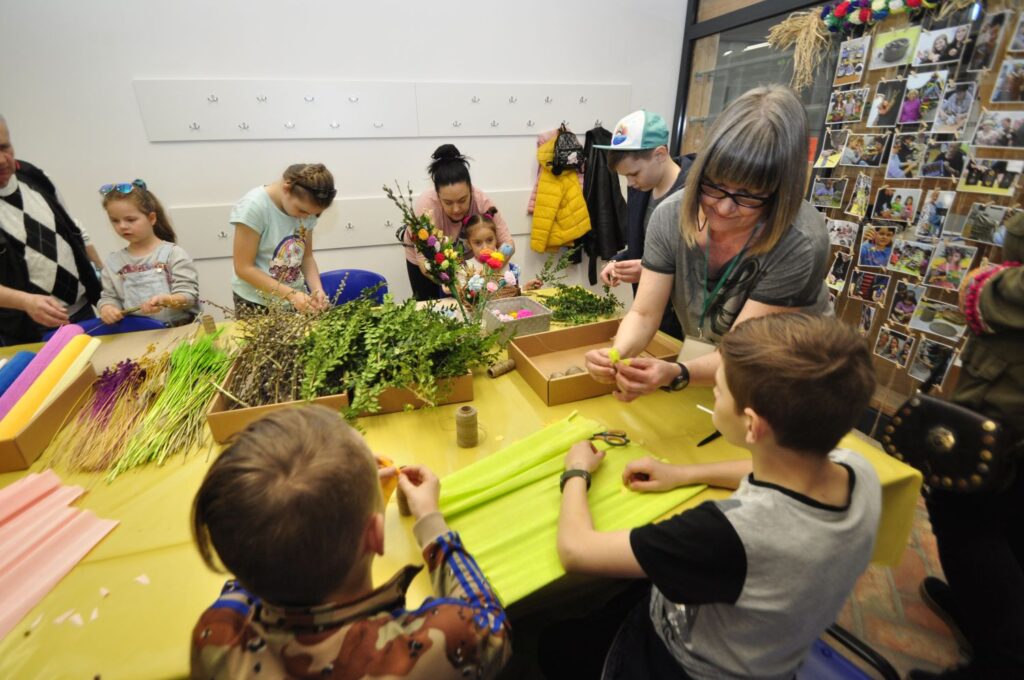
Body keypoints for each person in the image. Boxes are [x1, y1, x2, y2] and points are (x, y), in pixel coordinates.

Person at [552, 314, 880, 679]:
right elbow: (773, 474)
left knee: (557, 645)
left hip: (679, 666)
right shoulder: (857, 470)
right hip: (768, 655)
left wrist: (576, 471)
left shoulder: (725, 533)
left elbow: (575, 550)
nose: (714, 394)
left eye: (719, 391)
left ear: (752, 426)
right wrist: (684, 474)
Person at [190, 406, 511, 680]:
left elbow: (252, 562)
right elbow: (492, 626)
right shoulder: (439, 640)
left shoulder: (216, 637)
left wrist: (347, 501)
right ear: (376, 535)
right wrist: (431, 522)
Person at [584, 85, 831, 401]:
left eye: (749, 196)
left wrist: (678, 373)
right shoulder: (670, 215)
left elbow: (742, 352)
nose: (725, 208)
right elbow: (644, 314)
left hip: (787, 381)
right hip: (717, 369)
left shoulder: (800, 241)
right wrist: (616, 356)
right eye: (714, 187)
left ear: (781, 192)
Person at [909, 212, 1024, 679]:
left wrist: (989, 284)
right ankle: (984, 614)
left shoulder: (1000, 291)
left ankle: (1002, 659)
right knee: (1008, 522)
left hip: (1005, 422)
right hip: (1003, 409)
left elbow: (991, 285)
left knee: (963, 521)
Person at [0, 114, 101, 345]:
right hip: (30, 330)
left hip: (84, 311)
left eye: (4, 147)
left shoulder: (36, 177)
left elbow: (74, 230)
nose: (2, 160)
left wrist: (104, 273)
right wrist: (24, 301)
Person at [596, 109, 691, 340]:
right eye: (625, 176)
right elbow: (644, 249)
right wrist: (618, 261)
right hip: (651, 318)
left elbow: (702, 266)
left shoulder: (694, 196)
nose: (630, 182)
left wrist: (651, 270)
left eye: (634, 173)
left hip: (685, 324)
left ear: (660, 154)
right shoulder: (641, 189)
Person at [404, 145, 514, 301]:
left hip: (467, 262)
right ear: (438, 195)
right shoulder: (426, 206)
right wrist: (450, 282)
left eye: (462, 200)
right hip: (430, 262)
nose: (456, 209)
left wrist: (492, 266)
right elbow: (425, 263)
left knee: (471, 305)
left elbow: (508, 243)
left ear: (471, 190)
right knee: (430, 305)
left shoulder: (482, 201)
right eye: (448, 202)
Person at [230, 163, 334, 315]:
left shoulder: (307, 211)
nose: (306, 217)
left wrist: (317, 290)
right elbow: (243, 268)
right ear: (286, 188)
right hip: (256, 302)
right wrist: (291, 295)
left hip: (293, 298)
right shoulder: (254, 207)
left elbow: (307, 257)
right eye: (302, 210)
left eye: (314, 214)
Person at [95, 180, 200, 327]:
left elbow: (189, 296)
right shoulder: (114, 262)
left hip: (180, 331)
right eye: (115, 221)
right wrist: (107, 308)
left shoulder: (174, 254)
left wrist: (167, 300)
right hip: (137, 336)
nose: (122, 226)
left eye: (130, 219)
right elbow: (109, 297)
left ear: (151, 218)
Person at [459, 208, 538, 290]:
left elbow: (511, 291)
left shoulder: (504, 263)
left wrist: (524, 288)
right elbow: (465, 296)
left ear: (496, 239)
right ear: (469, 244)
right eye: (478, 243)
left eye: (489, 240)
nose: (485, 247)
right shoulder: (467, 269)